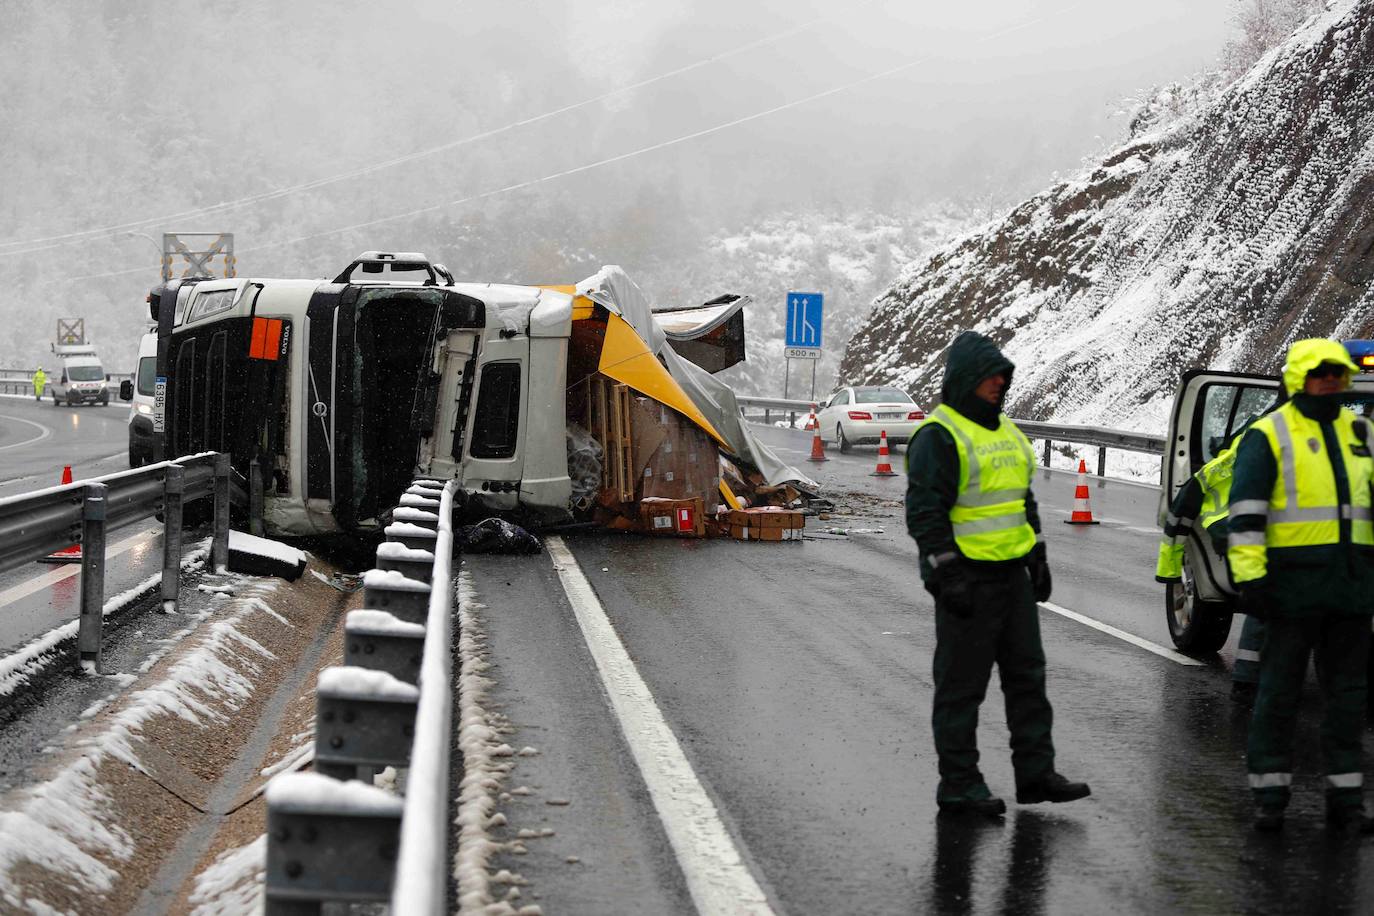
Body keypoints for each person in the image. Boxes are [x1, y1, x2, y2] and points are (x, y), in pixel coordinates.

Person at [905, 330, 1091, 817]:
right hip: (967, 580)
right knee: (962, 689)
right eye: (989, 377)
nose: (998, 384)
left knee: (1028, 679)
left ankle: (1036, 775)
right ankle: (959, 786)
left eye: (1002, 376)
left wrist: (1038, 553)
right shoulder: (940, 435)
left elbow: (1020, 499)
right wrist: (947, 573)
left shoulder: (1008, 433)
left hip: (1012, 578)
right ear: (965, 381)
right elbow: (925, 513)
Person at [1228, 338, 1374, 833]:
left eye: (1337, 372)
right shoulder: (1268, 434)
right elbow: (1246, 513)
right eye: (1320, 373)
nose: (1330, 380)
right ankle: (1270, 800)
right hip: (1291, 593)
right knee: (1279, 696)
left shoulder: (1361, 431)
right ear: (1298, 378)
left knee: (1349, 700)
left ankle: (1346, 804)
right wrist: (1252, 579)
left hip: (1351, 593)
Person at [1155, 431, 1266, 702]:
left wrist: (1169, 572)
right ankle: (1248, 682)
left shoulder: (1246, 448)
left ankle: (1248, 682)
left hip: (1238, 537)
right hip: (1249, 537)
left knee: (1263, 606)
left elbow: (1179, 513)